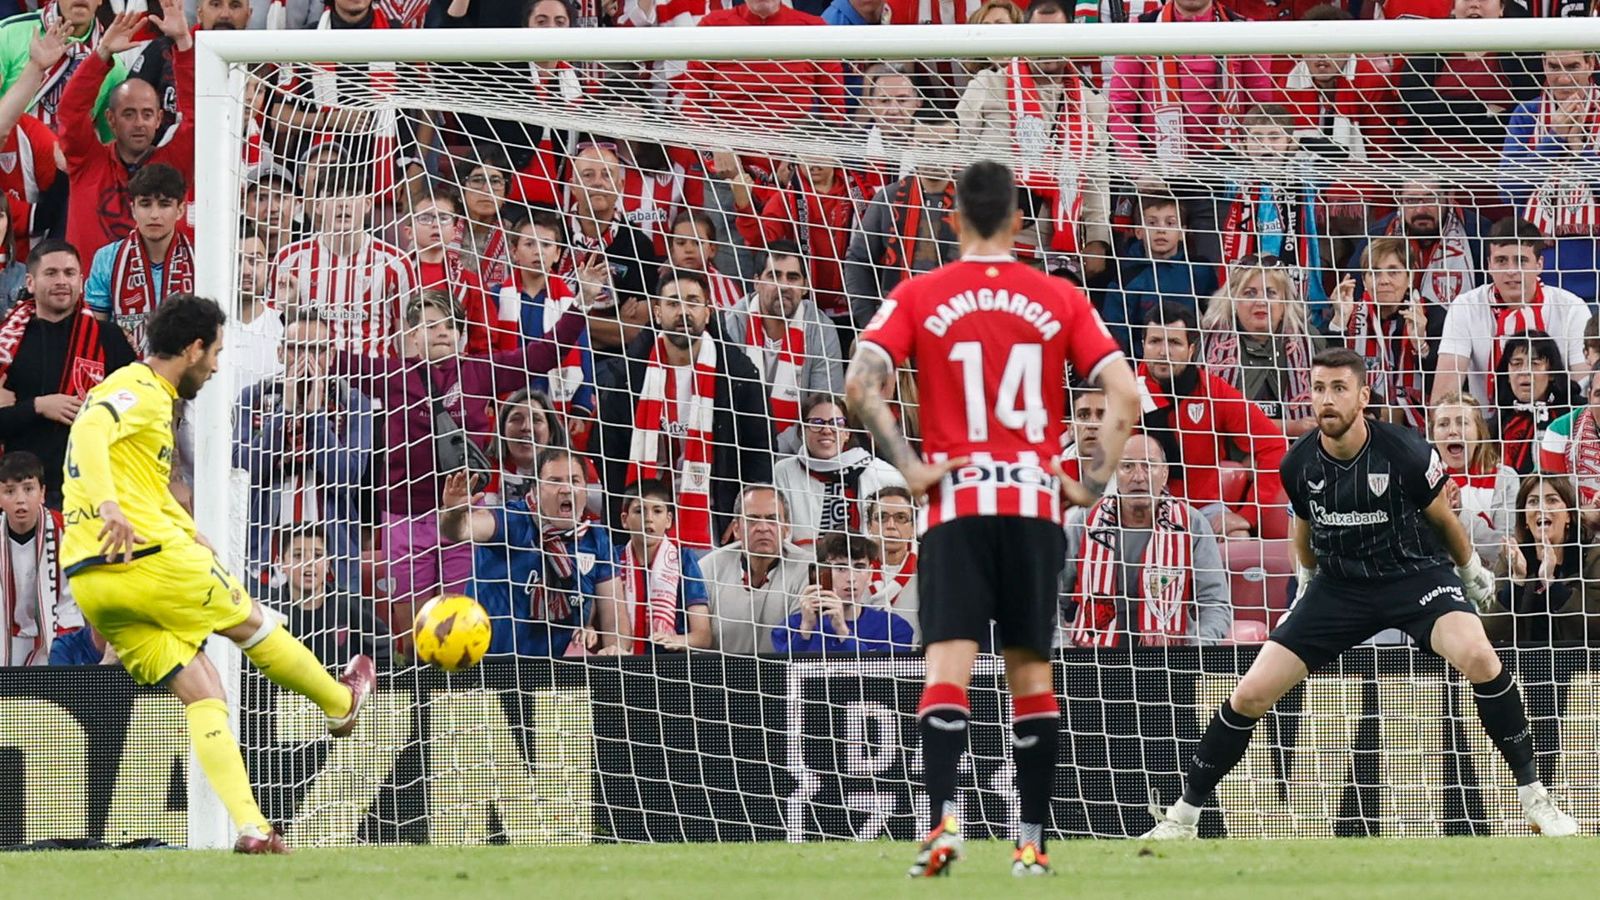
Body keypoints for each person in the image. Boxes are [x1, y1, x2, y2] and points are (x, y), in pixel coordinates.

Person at [1141, 347, 1578, 841]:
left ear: (1363, 395)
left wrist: (1470, 568)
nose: (1325, 400)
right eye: (1318, 388)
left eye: (1338, 388)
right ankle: (1183, 817)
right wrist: (1305, 578)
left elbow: (1442, 517)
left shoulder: (1407, 452)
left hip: (1414, 576)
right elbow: (1302, 529)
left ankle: (1537, 800)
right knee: (1250, 692)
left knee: (1480, 656)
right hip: (1341, 588)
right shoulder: (1299, 462)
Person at [847, 160, 1140, 876]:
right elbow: (1126, 396)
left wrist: (910, 468)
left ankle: (942, 827)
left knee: (948, 666)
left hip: (959, 504)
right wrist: (1090, 481)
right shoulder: (1060, 296)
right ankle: (1031, 845)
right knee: (1030, 675)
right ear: (1017, 221)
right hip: (1034, 504)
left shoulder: (919, 293)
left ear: (953, 222)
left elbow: (860, 382)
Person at [62, 293, 374, 854]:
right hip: (145, 561)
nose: (215, 366)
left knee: (202, 689)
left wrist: (183, 525)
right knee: (250, 620)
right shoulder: (139, 390)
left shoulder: (144, 401)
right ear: (193, 347)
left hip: (93, 581)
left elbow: (138, 479)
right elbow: (89, 433)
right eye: (215, 354)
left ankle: (252, 828)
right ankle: (338, 701)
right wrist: (110, 505)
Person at [595, 270, 773, 549]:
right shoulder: (627, 376)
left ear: (708, 312)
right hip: (646, 521)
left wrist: (742, 515)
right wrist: (620, 521)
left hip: (713, 518)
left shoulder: (739, 377)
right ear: (657, 312)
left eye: (692, 302)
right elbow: (609, 454)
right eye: (673, 303)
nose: (683, 312)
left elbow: (760, 451)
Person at [955, 0, 1112, 279]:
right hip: (989, 244)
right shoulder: (987, 85)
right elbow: (956, 159)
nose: (1046, 46)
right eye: (1039, 35)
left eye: (1056, 36)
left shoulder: (1091, 103)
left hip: (1058, 253)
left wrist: (1098, 240)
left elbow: (1096, 178)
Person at [233, 310, 374, 589]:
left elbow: (348, 477)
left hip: (334, 562)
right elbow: (245, 472)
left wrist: (314, 415)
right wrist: (284, 412)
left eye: (318, 350)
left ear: (332, 356)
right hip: (266, 558)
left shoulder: (353, 402)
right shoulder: (253, 398)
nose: (307, 360)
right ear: (280, 352)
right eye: (298, 349)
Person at [441, 450, 625, 657]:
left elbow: (615, 624)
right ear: (536, 490)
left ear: (584, 489)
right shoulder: (512, 520)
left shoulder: (597, 541)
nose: (566, 489)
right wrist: (453, 514)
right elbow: (461, 530)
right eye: (554, 481)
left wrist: (614, 649)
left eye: (574, 480)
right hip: (490, 666)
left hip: (555, 675)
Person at [0, 240, 137, 506]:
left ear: (82, 280)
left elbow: (136, 409)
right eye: (51, 273)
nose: (62, 280)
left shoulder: (109, 338)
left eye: (69, 273)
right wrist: (38, 407)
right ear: (30, 282)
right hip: (20, 493)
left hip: (94, 490)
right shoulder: (6, 344)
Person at [1063, 435, 1231, 647]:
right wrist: (1063, 652)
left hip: (1172, 661)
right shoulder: (1084, 522)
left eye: (1148, 465)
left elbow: (1215, 603)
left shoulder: (1192, 523)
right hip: (1093, 660)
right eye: (1127, 466)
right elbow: (1050, 598)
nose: (1138, 477)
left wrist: (1194, 653)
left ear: (1164, 473)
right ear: (1115, 472)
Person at [1139, 303, 1288, 538]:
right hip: (1140, 511)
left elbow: (1274, 445)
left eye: (1174, 343)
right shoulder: (1126, 394)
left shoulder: (1213, 391)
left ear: (1191, 350)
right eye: (1155, 341)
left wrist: (1246, 515)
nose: (1163, 352)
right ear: (1143, 347)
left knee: (1239, 538)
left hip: (1203, 511)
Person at [58, 9, 194, 260]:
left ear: (159, 119)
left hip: (162, 297)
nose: (139, 123)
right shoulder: (86, 162)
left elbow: (198, 120)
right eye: (129, 114)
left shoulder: (175, 164)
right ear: (111, 119)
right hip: (92, 297)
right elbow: (71, 112)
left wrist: (184, 44)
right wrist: (102, 55)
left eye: (147, 114)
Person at [1432, 217, 1591, 413]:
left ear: (1539, 264)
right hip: (1487, 431)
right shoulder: (1465, 307)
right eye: (1501, 260)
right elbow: (1445, 392)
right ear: (1489, 265)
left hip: (1558, 428)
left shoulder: (1571, 308)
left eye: (1521, 260)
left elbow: (1584, 386)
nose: (1511, 270)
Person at [272, 168, 418, 358]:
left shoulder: (396, 263)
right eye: (332, 195)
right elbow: (273, 331)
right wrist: (290, 306)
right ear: (317, 205)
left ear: (367, 204)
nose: (343, 204)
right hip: (310, 373)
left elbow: (408, 339)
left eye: (351, 195)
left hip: (375, 379)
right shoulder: (290, 259)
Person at [721, 242, 845, 453]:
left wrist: (778, 453)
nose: (784, 285)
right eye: (774, 276)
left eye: (792, 277)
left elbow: (824, 409)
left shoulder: (822, 330)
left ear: (805, 286)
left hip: (800, 452)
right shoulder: (731, 323)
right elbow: (726, 401)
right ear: (756, 283)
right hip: (739, 446)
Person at [1499, 49, 1600, 304]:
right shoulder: (1525, 114)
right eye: (1554, 67)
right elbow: (1507, 189)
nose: (1563, 78)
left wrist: (1579, 149)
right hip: (1539, 282)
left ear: (1591, 64)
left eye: (1573, 66)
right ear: (1543, 65)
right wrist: (1554, 139)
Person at [843, 121, 961, 329]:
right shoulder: (888, 198)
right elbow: (858, 260)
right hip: (897, 323)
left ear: (958, 147)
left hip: (957, 325)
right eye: (925, 145)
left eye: (944, 146)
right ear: (911, 144)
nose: (934, 155)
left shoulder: (975, 204)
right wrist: (871, 324)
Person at [1202, 259, 1331, 436]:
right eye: (1250, 293)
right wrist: (1289, 427)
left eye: (1271, 293)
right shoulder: (1208, 341)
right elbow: (1208, 417)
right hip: (1229, 456)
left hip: (1297, 453)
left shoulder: (1310, 339)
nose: (1261, 301)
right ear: (1233, 299)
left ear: (1285, 301)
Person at [1329, 237, 1442, 430]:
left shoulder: (1434, 315)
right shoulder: (1350, 313)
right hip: (1360, 425)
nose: (1384, 281)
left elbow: (1442, 385)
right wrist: (1338, 322)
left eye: (1393, 272)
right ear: (1364, 280)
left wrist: (1420, 345)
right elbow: (1330, 374)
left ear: (1409, 277)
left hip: (1418, 429)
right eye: (1374, 273)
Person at [772, 393, 905, 546]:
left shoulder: (880, 473)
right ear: (802, 431)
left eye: (836, 422)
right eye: (816, 422)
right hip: (802, 566)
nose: (827, 430)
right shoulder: (784, 471)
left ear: (847, 433)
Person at [85, 162, 191, 351]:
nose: (154, 215)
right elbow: (95, 333)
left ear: (180, 210)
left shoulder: (199, 259)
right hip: (125, 373)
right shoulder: (107, 259)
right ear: (133, 209)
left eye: (164, 205)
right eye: (145, 204)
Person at [698, 483, 811, 654]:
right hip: (719, 677)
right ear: (736, 528)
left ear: (787, 528)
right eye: (753, 519)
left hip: (784, 677)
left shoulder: (808, 569)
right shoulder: (708, 568)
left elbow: (804, 642)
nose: (763, 528)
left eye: (772, 519)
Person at [1488, 474, 1600, 645]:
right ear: (1524, 517)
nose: (1541, 508)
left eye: (1552, 500)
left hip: (1581, 667)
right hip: (1523, 667)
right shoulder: (1511, 558)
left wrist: (1552, 584)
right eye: (1533, 501)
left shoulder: (1593, 555)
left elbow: (1595, 625)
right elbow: (1491, 631)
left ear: (1569, 515)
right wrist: (1517, 582)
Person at [1102, 194, 1218, 356]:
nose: (1161, 229)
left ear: (1182, 232)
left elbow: (1216, 321)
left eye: (1170, 223)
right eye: (1152, 223)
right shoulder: (1126, 278)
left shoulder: (1199, 270)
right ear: (1139, 232)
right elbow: (1116, 332)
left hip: (1190, 361)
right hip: (1142, 366)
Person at [262, 523, 391, 667]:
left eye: (317, 555)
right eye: (298, 555)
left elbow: (384, 649)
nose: (309, 562)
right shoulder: (268, 612)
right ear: (280, 564)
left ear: (328, 563)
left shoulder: (349, 605)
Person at [772, 533, 916, 654]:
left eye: (859, 567)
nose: (851, 578)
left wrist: (842, 630)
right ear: (821, 574)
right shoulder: (789, 628)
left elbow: (879, 682)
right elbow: (785, 678)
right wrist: (805, 630)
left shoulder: (894, 628)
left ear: (870, 574)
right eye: (841, 568)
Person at [0, 450, 79, 665]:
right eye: (9, 491)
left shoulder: (65, 529)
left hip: (60, 628)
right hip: (7, 632)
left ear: (42, 492)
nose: (20, 500)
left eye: (28, 489)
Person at [615, 480, 711, 653]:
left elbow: (703, 636)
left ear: (668, 520)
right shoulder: (612, 558)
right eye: (639, 511)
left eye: (657, 511)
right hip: (622, 659)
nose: (648, 518)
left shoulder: (683, 559)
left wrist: (677, 640)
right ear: (624, 520)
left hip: (669, 663)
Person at [1433, 393, 1518, 569]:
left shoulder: (1505, 479)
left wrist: (1458, 515)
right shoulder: (1425, 480)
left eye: (1462, 422)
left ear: (1479, 431)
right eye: (1443, 424)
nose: (1453, 431)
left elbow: (1506, 553)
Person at [1493, 330, 1576, 474]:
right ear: (1506, 374)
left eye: (1535, 363)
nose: (1524, 371)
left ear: (1551, 373)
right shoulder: (1495, 427)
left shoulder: (1575, 416)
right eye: (1516, 363)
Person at [863, 484, 919, 642]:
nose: (891, 526)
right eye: (882, 517)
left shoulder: (931, 572)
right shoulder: (853, 571)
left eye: (901, 518)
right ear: (869, 527)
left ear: (914, 528)